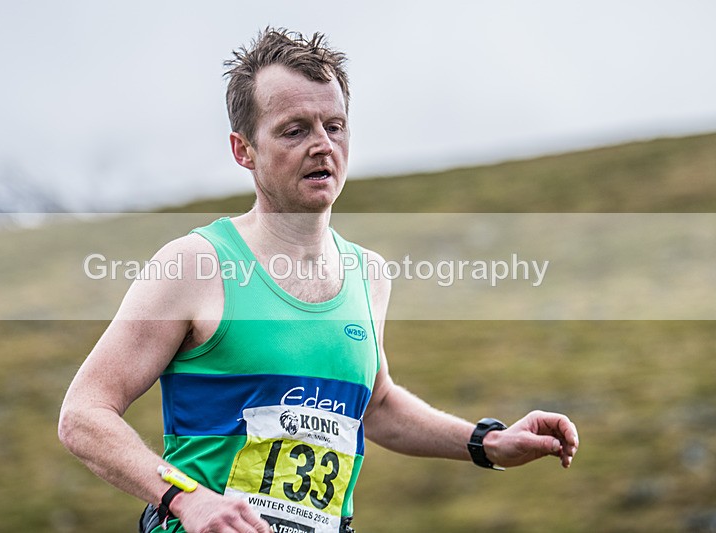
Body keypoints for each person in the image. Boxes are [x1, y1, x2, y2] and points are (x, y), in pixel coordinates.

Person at [58, 27, 579, 533]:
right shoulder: (195, 264)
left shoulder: (368, 275)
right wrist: (188, 501)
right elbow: (84, 414)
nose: (322, 145)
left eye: (335, 126)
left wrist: (487, 442)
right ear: (244, 150)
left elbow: (375, 406)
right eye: (294, 130)